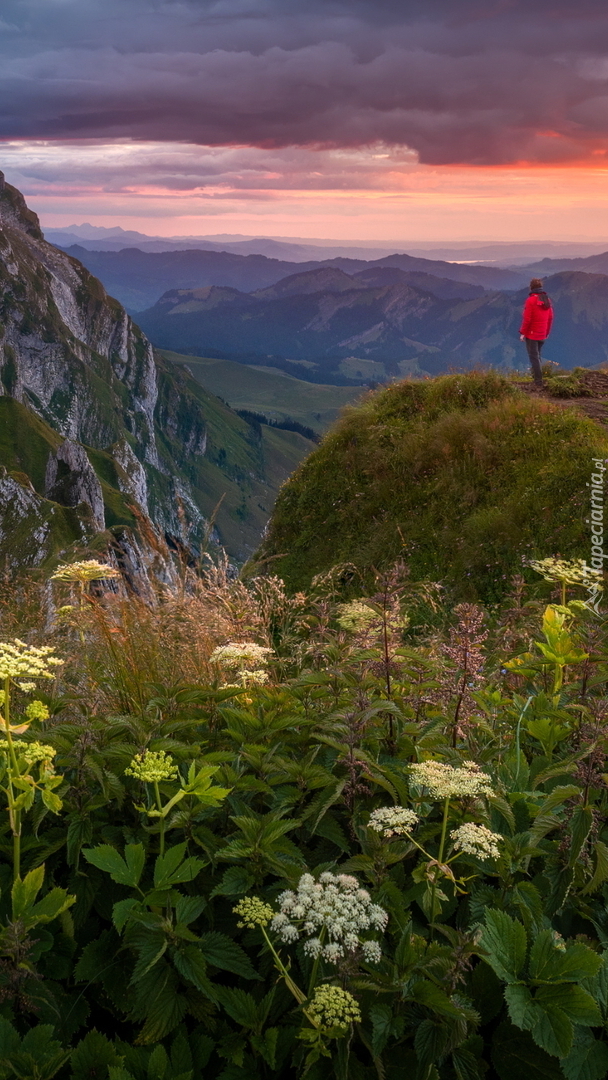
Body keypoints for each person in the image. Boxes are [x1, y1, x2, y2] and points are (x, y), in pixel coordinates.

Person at [519, 277, 553, 387]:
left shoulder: (530, 301)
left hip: (532, 334)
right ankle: (537, 378)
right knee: (537, 356)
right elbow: (550, 317)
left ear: (531, 287)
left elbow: (527, 318)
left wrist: (523, 333)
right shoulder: (546, 299)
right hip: (542, 333)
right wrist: (546, 332)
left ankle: (538, 381)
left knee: (533, 357)